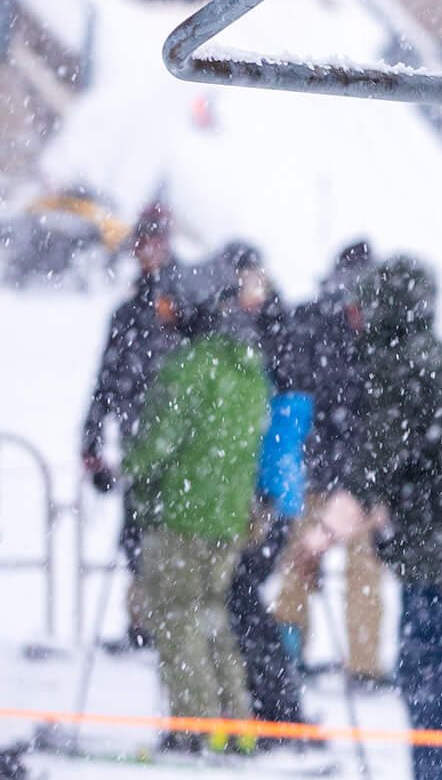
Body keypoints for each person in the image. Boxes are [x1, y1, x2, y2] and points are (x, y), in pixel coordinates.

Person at [323, 257, 442, 780]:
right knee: (436, 682)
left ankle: (440, 775)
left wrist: (328, 529)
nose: (355, 317)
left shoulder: (403, 366)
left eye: (364, 305)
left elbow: (379, 458)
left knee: (426, 679)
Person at [123, 256, 269, 754]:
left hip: (182, 514)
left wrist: (132, 471)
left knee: (176, 616)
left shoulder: (187, 368)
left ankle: (195, 724)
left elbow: (155, 444)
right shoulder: (248, 370)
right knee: (212, 617)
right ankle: (236, 720)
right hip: (228, 516)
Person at [270, 240, 383, 686]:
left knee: (302, 564)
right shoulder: (375, 329)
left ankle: (288, 654)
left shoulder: (307, 321)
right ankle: (363, 665)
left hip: (318, 469)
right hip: (356, 478)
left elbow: (295, 388)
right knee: (362, 574)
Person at [218, 243, 314, 733]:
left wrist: (268, 494)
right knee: (242, 598)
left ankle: (275, 703)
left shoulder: (272, 335)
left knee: (241, 598)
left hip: (267, 496)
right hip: (268, 493)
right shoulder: (266, 332)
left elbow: (282, 425)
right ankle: (272, 702)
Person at [80, 202, 178, 651]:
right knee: (136, 536)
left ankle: (170, 617)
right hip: (138, 438)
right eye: (145, 242)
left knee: (174, 534)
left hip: (181, 443)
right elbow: (105, 380)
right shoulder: (127, 315)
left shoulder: (183, 306)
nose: (151, 251)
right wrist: (92, 438)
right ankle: (143, 619)